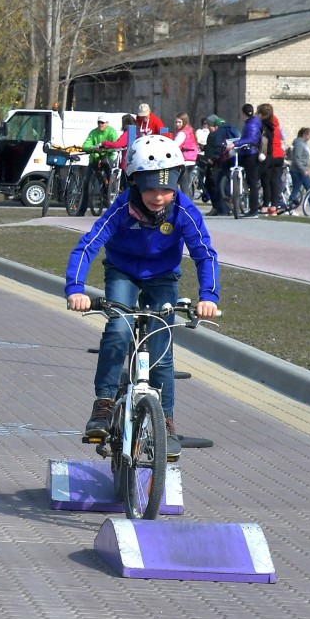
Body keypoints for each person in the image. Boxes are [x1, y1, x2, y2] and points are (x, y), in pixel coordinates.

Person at [66, 134, 220, 462]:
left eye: (166, 188)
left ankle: (166, 421)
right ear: (134, 183)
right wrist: (75, 289)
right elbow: (88, 245)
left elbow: (204, 254)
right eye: (150, 188)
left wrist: (208, 296)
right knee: (118, 331)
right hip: (122, 272)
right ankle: (104, 404)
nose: (158, 196)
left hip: (163, 278)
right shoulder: (122, 208)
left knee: (162, 350)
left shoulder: (184, 210)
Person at [201, 114, 239, 216]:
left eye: (209, 125)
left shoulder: (214, 134)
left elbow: (216, 148)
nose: (208, 127)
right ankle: (227, 208)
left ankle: (220, 208)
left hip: (217, 162)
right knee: (226, 184)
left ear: (214, 125)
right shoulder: (230, 129)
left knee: (214, 185)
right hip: (231, 159)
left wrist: (211, 158)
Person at [256, 103, 285, 215]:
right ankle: (274, 207)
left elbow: (263, 140)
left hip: (270, 154)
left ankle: (265, 206)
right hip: (279, 155)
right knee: (275, 181)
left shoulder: (264, 124)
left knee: (266, 181)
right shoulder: (276, 123)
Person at [235, 103, 264, 217]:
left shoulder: (252, 124)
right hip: (246, 153)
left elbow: (250, 139)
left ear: (243, 113)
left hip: (250, 154)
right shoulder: (252, 123)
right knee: (228, 164)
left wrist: (236, 143)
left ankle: (253, 210)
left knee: (252, 182)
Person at [288, 127, 310, 212]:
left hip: (303, 170)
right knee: (296, 188)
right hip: (298, 171)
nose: (309, 138)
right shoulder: (299, 144)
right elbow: (297, 159)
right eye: (309, 136)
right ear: (304, 135)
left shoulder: (304, 144)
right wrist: (303, 170)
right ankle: (290, 206)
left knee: (309, 188)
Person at [171, 112, 198, 195]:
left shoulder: (182, 133)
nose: (177, 124)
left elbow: (174, 145)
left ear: (185, 121)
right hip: (192, 161)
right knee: (187, 187)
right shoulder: (190, 130)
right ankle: (189, 202)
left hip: (185, 162)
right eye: (176, 122)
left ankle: (183, 202)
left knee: (184, 187)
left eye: (179, 122)